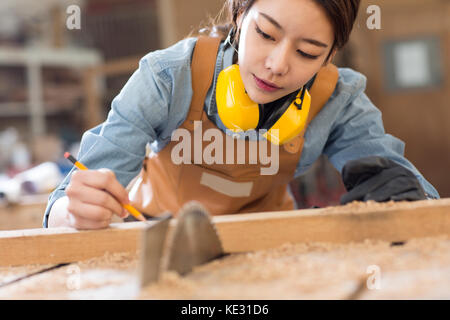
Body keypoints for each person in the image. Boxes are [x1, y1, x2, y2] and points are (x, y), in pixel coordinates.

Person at [44, 0, 439, 230]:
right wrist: (74, 211)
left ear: (331, 55)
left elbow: (409, 188)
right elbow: (61, 207)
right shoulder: (166, 77)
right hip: (157, 238)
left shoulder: (338, 97)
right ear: (238, 15)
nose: (277, 65)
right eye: (266, 34)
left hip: (266, 243)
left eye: (307, 53)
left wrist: (409, 197)